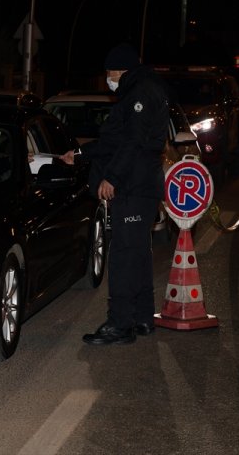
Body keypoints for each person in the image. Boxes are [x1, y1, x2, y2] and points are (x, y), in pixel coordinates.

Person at [59, 42, 169, 345]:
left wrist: (112, 177)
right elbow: (113, 141)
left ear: (124, 69)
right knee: (137, 254)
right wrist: (79, 153)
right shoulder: (136, 91)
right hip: (138, 184)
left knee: (122, 256)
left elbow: (133, 143)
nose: (108, 78)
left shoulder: (140, 94)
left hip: (134, 186)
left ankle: (120, 324)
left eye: (111, 72)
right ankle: (143, 317)